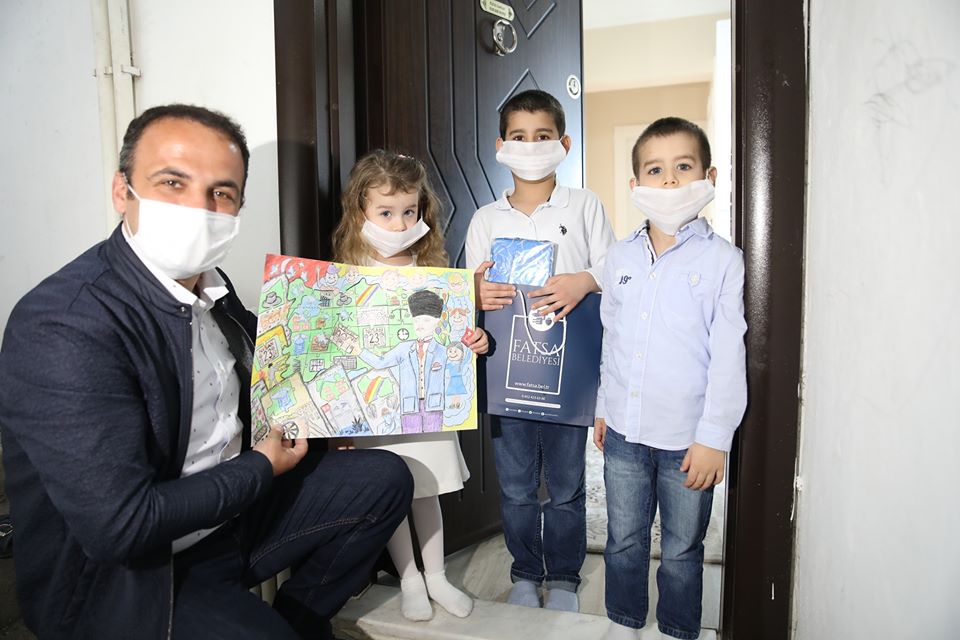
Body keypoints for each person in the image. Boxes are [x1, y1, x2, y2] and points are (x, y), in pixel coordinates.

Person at [0, 105, 413, 640]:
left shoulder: (214, 290)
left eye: (221, 192)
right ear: (123, 191)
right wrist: (261, 467)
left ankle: (295, 623)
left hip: (230, 520)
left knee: (384, 479)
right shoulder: (65, 323)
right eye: (173, 182)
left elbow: (273, 366)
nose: (199, 207)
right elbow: (120, 528)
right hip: (132, 577)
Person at [593, 117, 747, 640]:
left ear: (709, 176)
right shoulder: (619, 257)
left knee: (682, 547)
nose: (670, 180)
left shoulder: (723, 261)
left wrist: (714, 438)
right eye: (655, 170)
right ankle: (624, 621)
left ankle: (677, 629)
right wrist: (603, 406)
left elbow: (728, 356)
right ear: (635, 183)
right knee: (624, 539)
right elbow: (612, 340)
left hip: (688, 439)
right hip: (625, 431)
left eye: (683, 166)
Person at [464, 89, 616, 612]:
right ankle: (526, 574)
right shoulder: (486, 219)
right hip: (507, 373)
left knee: (568, 485)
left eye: (543, 136)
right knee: (516, 487)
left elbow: (615, 270)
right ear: (501, 145)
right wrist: (474, 293)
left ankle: (566, 579)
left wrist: (584, 280)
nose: (531, 146)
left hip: (568, 376)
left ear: (564, 144)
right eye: (519, 136)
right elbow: (468, 291)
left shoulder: (585, 205)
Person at [332, 149, 488, 622]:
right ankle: (409, 578)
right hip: (377, 412)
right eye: (385, 212)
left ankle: (436, 576)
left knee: (428, 489)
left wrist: (474, 341)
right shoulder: (345, 278)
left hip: (428, 409)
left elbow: (454, 341)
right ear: (360, 211)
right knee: (392, 494)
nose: (399, 224)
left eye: (409, 211)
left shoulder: (433, 271)